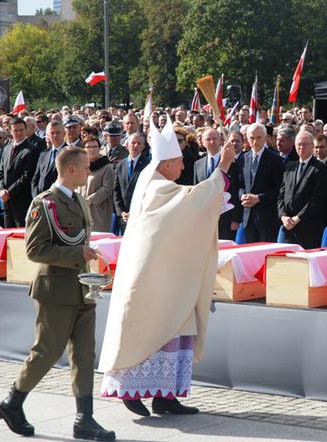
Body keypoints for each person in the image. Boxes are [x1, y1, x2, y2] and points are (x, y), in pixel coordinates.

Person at [99, 116, 234, 417]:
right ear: (165, 164)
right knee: (149, 329)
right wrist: (222, 166)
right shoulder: (157, 187)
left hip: (167, 275)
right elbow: (191, 204)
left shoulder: (158, 183)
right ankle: (130, 391)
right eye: (179, 162)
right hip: (153, 278)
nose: (184, 167)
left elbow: (189, 207)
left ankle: (166, 396)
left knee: (175, 327)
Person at [0, 148, 115, 441]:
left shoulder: (78, 201)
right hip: (56, 289)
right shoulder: (46, 203)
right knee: (46, 352)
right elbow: (35, 250)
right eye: (86, 167)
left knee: (85, 355)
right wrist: (78, 252)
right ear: (71, 170)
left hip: (82, 287)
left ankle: (84, 419)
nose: (89, 172)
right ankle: (12, 403)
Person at [277, 131, 327, 248]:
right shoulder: (290, 166)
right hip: (287, 227)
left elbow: (317, 199)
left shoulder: (319, 168)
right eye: (299, 144)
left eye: (305, 144)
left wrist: (297, 218)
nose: (301, 147)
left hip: (308, 229)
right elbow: (281, 194)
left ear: (312, 146)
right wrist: (283, 216)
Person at [194, 128, 242, 240]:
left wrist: (236, 218)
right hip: (206, 217)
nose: (211, 142)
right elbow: (196, 191)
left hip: (227, 217)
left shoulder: (231, 161)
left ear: (220, 140)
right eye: (208, 139)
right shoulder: (198, 164)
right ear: (201, 141)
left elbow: (235, 189)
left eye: (214, 138)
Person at [239, 123, 284, 242]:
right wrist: (242, 195)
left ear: (265, 138)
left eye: (258, 137)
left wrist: (259, 198)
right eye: (252, 138)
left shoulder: (275, 160)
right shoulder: (243, 158)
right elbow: (240, 184)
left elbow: (280, 189)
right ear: (247, 139)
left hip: (267, 218)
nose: (255, 141)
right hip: (248, 217)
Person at [0, 117, 40, 227]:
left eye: (21, 130)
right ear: (10, 131)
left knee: (21, 235)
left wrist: (9, 192)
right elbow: (0, 173)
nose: (19, 133)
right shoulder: (7, 148)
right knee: (8, 234)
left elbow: (27, 176)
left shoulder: (31, 150)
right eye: (16, 130)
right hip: (6, 202)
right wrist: (1, 190)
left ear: (25, 130)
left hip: (22, 201)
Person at [113, 133, 150, 234]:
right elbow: (116, 192)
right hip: (124, 219)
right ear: (127, 144)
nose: (135, 146)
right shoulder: (120, 165)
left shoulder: (148, 165)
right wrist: (121, 212)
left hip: (140, 217)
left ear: (143, 146)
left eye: (139, 143)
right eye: (133, 143)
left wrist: (135, 213)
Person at [77, 137, 114, 232]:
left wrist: (89, 200)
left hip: (98, 211)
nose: (92, 149)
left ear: (99, 148)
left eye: (95, 146)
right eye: (88, 147)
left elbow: (107, 188)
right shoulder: (81, 167)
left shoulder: (106, 167)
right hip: (82, 210)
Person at [32, 121, 67, 197]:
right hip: (41, 199)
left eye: (58, 132)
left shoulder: (70, 153)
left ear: (64, 133)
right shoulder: (43, 154)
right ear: (47, 135)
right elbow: (36, 178)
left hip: (59, 199)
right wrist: (36, 196)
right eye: (52, 133)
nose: (55, 135)